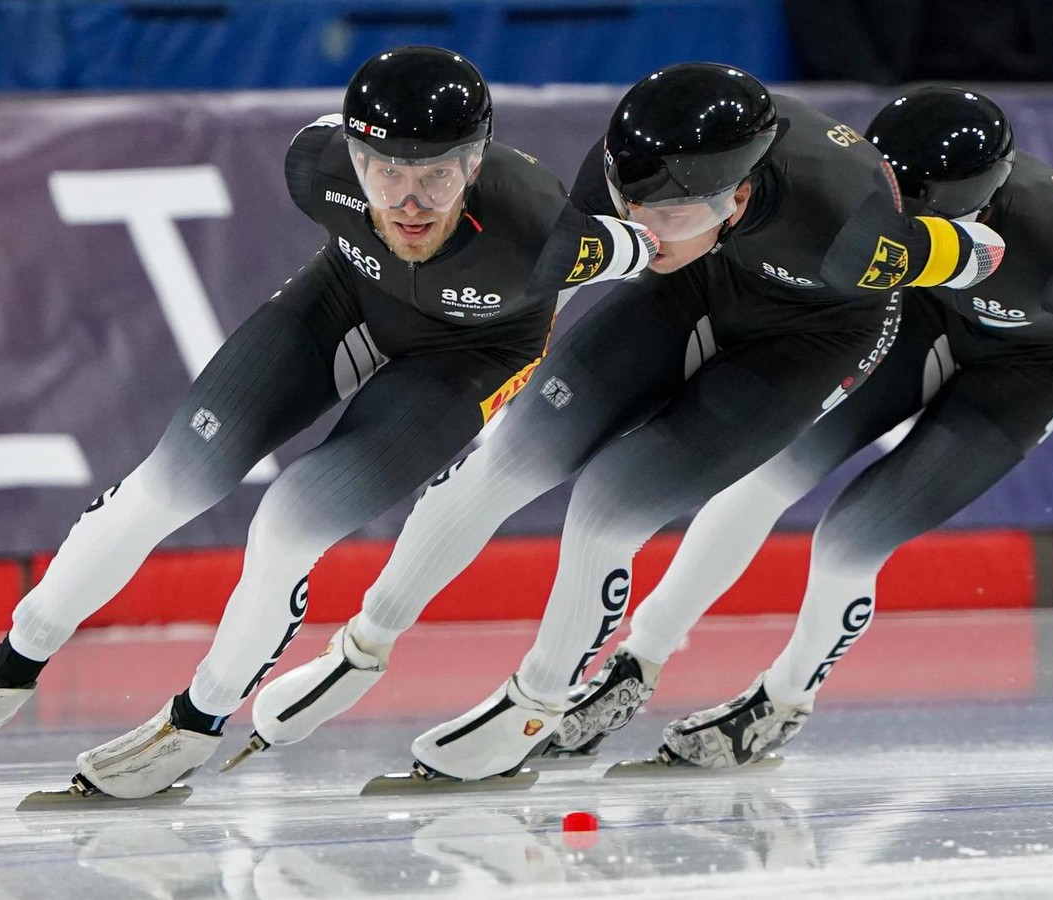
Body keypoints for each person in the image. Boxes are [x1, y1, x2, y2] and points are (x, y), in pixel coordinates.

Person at [0, 46, 661, 800]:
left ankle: (198, 720)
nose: (408, 201)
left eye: (438, 177)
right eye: (383, 171)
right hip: (346, 303)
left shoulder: (547, 235)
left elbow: (651, 245)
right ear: (353, 158)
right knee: (166, 482)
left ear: (475, 164)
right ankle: (7, 669)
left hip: (468, 360)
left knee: (286, 526)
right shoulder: (315, 165)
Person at [229, 65, 1007, 784]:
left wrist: (1028, 263)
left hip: (810, 342)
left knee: (608, 504)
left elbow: (983, 253)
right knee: (511, 453)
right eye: (634, 210)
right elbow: (544, 287)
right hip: (694, 288)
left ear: (737, 199)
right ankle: (363, 645)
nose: (648, 231)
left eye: (671, 213)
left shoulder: (853, 233)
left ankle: (540, 698)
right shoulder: (627, 172)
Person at [547, 86, 1053, 768]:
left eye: (912, 215)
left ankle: (785, 697)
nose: (887, 222)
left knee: (854, 534)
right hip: (922, 316)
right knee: (761, 477)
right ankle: (635, 663)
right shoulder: (866, 202)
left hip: (1031, 366)